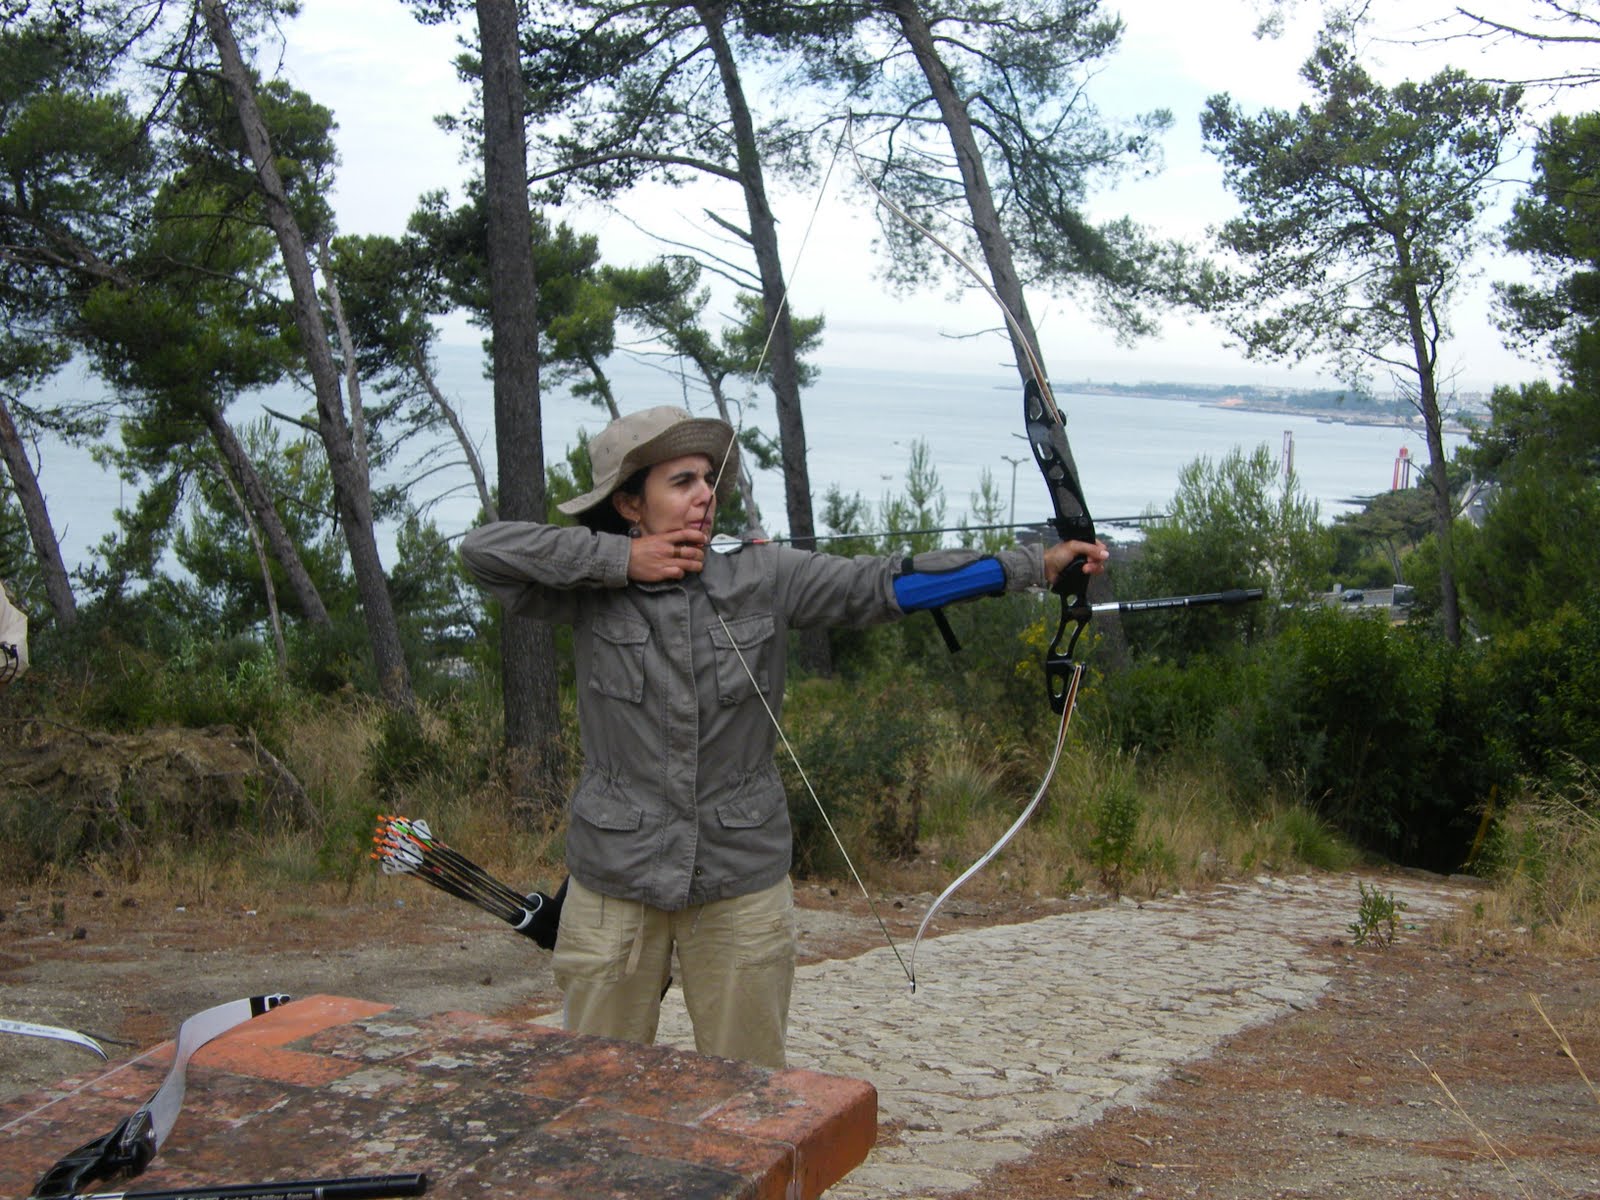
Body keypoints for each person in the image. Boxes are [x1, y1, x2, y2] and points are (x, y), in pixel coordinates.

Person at [459, 405, 1106, 1068]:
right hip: (614, 877)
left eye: (709, 479)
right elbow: (483, 553)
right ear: (630, 503)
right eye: (682, 482)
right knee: (599, 1083)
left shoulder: (762, 576)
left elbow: (883, 584)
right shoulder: (587, 588)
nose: (706, 494)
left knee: (749, 1091)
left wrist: (1033, 566)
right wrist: (622, 559)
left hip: (738, 878)